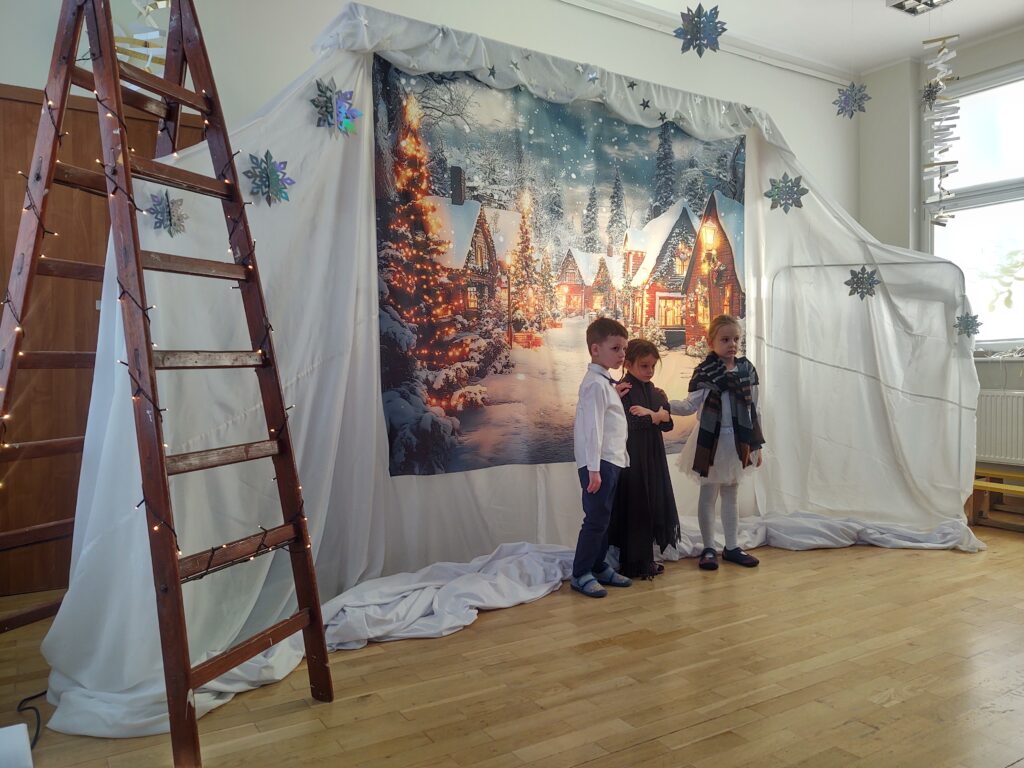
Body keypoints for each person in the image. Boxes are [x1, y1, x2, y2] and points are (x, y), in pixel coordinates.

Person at [671, 315, 764, 570]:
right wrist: (662, 405)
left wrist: (756, 446)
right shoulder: (705, 372)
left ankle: (732, 547)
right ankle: (709, 548)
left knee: (731, 494)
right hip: (711, 441)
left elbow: (753, 410)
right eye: (725, 339)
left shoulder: (747, 370)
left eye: (736, 339)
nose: (732, 344)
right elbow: (690, 405)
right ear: (711, 342)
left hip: (737, 442)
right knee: (708, 495)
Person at [570, 317, 634, 598]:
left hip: (610, 461)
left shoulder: (604, 383)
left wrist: (613, 394)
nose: (622, 354)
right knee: (595, 519)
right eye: (616, 348)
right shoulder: (596, 385)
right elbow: (592, 428)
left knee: (604, 518)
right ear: (595, 349)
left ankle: (598, 565)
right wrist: (594, 470)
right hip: (599, 464)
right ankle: (581, 573)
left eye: (624, 349)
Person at [608, 339, 681, 579]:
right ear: (628, 364)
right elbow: (630, 423)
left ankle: (645, 559)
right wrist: (656, 416)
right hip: (633, 456)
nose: (649, 371)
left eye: (652, 366)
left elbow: (668, 423)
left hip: (653, 455)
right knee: (636, 504)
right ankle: (633, 562)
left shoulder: (656, 392)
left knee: (651, 502)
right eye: (644, 366)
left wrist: (652, 415)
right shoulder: (623, 390)